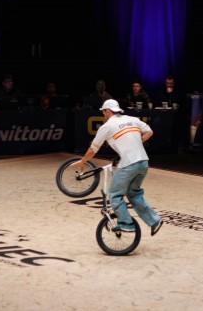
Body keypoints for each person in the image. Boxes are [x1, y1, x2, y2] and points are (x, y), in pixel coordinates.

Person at [69, 99, 163, 236]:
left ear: (107, 111)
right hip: (143, 163)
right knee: (134, 194)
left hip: (129, 164)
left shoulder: (107, 126)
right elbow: (149, 132)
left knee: (114, 194)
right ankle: (155, 221)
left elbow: (93, 149)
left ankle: (126, 224)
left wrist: (83, 161)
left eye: (103, 112)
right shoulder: (132, 119)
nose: (103, 114)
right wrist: (136, 142)